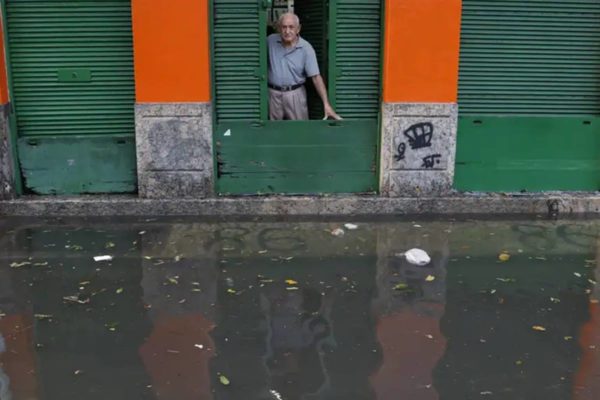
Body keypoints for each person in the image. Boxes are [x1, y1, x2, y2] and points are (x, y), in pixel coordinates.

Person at [267, 12, 342, 121]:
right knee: (272, 132)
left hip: (295, 95)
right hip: (273, 95)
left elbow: (316, 78)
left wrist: (326, 104)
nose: (287, 31)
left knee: (299, 132)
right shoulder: (270, 41)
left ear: (298, 29)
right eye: (284, 27)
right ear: (279, 28)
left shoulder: (306, 48)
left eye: (291, 27)